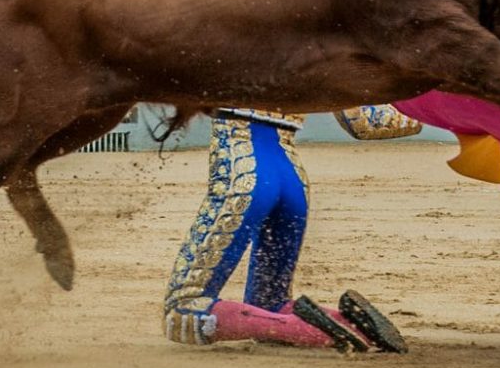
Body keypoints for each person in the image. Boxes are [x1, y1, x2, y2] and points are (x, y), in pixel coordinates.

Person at [163, 106, 421, 351]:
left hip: (244, 171)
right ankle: (348, 325)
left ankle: (311, 331)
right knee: (272, 301)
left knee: (183, 310)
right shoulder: (321, 58)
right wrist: (437, 114)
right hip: (293, 178)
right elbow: (366, 122)